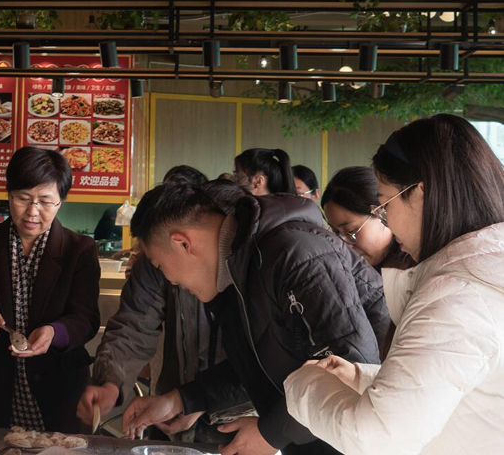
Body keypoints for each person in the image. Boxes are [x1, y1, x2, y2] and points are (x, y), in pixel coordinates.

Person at [285, 114, 504, 455]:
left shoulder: (456, 296)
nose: (386, 220)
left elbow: (377, 436)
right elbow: (461, 389)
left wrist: (303, 385)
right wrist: (364, 378)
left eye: (385, 204)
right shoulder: (483, 272)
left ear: (420, 192)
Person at [122, 180, 389, 455]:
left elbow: (350, 366)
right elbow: (258, 363)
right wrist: (182, 399)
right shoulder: (235, 275)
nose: (171, 280)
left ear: (182, 243)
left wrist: (270, 433)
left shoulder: (295, 253)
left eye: (160, 265)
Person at [0, 147, 101, 432]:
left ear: (60, 202)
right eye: (23, 198)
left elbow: (86, 318)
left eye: (45, 202)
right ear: (9, 194)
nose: (32, 212)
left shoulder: (79, 250)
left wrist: (55, 332)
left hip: (59, 391)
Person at [78, 166, 239, 444]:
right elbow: (134, 325)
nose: (171, 279)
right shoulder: (154, 261)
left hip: (244, 419)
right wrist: (111, 383)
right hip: (169, 409)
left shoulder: (247, 261)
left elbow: (270, 358)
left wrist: (268, 428)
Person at [321, 166, 411, 270]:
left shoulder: (414, 269)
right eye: (336, 232)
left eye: (350, 231)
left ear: (382, 213)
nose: (345, 245)